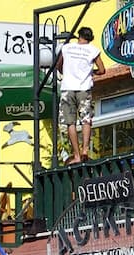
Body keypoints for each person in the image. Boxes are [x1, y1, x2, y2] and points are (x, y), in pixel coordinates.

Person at [56, 26, 105, 165]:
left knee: (70, 122)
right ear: (90, 38)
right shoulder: (93, 50)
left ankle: (76, 156)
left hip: (67, 88)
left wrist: (66, 73)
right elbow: (102, 70)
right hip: (84, 88)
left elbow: (58, 66)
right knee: (86, 120)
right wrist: (92, 73)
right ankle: (85, 151)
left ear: (79, 36)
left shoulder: (66, 48)